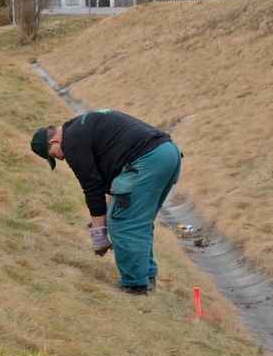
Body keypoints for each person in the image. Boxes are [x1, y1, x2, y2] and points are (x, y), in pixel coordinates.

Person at [30, 109, 182, 295]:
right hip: (168, 152)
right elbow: (109, 179)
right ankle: (146, 276)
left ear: (53, 141)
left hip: (148, 160)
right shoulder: (82, 126)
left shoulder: (71, 143)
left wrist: (99, 234)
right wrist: (108, 210)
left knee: (123, 222)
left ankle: (134, 285)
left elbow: (92, 188)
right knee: (138, 219)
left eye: (53, 155)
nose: (60, 159)